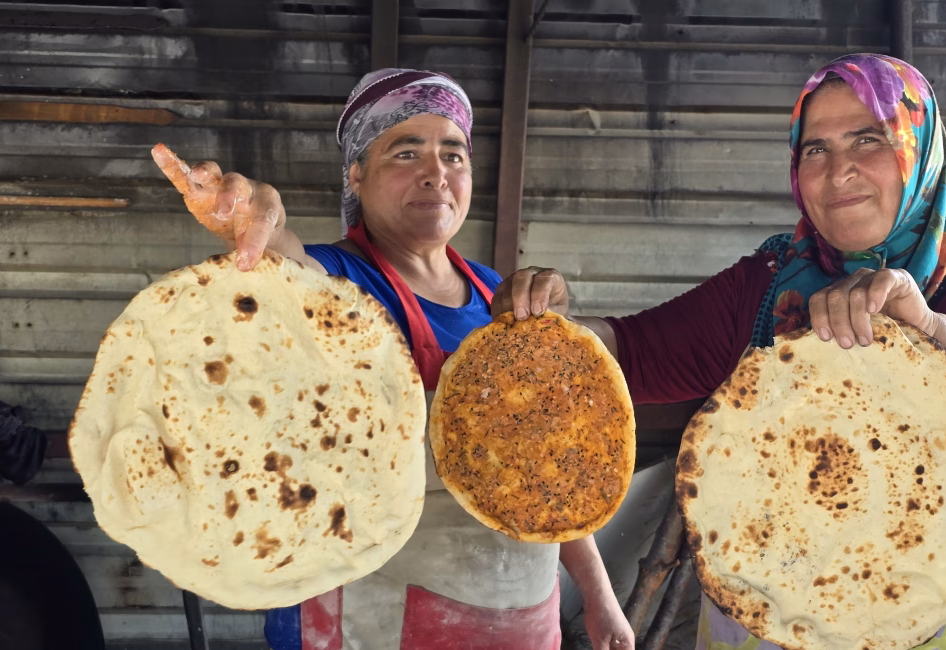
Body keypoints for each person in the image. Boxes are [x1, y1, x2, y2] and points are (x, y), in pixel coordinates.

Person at [495, 53, 946, 648]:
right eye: (815, 148)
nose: (838, 170)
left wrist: (932, 328)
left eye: (868, 139)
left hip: (934, 616)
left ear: (920, 152)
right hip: (763, 613)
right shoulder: (763, 290)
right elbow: (624, 352)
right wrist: (546, 325)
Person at [154, 69, 633, 649]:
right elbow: (288, 271)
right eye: (406, 153)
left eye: (453, 155)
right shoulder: (337, 281)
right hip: (366, 620)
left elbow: (552, 470)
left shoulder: (498, 295)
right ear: (356, 175)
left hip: (518, 617)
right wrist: (257, 224)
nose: (436, 173)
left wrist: (601, 599)